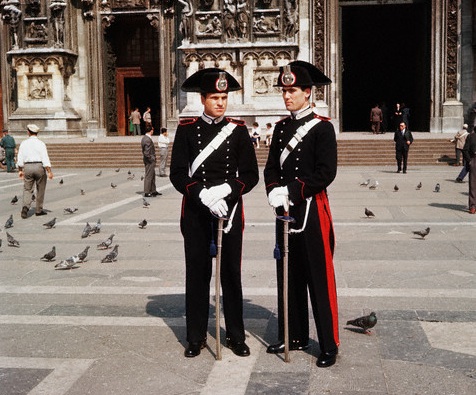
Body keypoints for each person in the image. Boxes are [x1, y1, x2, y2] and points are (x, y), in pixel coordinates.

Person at [170, 68, 259, 358]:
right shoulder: (185, 130)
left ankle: (236, 335)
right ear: (202, 99)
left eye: (224, 97)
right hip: (196, 213)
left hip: (228, 213)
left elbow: (250, 174)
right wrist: (202, 193)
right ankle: (195, 337)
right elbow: (177, 174)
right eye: (214, 98)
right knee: (197, 274)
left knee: (231, 274)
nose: (220, 103)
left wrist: (228, 190)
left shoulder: (238, 130)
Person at [263, 60, 339, 368]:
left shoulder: (322, 127)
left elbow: (326, 173)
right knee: (288, 276)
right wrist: (272, 189)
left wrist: (292, 190)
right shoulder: (281, 128)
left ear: (307, 92)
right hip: (284, 211)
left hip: (311, 210)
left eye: (292, 90)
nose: (287, 96)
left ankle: (329, 343)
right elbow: (271, 167)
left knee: (318, 278)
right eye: (284, 90)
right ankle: (293, 335)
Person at [16, 124, 54, 218]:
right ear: (37, 133)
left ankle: (25, 207)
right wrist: (49, 171)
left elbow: (20, 158)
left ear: (28, 132)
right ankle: (38, 210)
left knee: (27, 188)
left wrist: (20, 170)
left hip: (28, 167)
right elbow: (45, 158)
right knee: (40, 188)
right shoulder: (41, 143)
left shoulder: (24, 143)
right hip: (39, 166)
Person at [141, 125, 161, 197]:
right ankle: (147, 191)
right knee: (149, 175)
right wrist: (151, 158)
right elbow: (147, 152)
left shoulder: (145, 138)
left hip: (148, 159)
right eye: (152, 129)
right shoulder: (147, 139)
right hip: (149, 160)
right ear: (151, 130)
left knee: (152, 175)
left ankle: (153, 190)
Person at [462, 126, 476, 214]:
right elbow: (465, 150)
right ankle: (473, 205)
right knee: (473, 184)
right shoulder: (471, 136)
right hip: (474, 160)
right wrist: (469, 161)